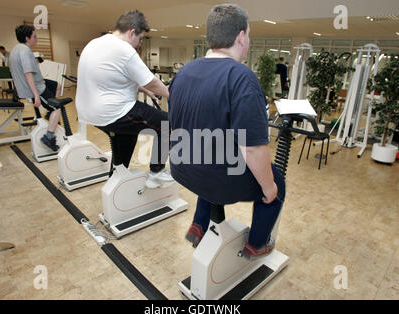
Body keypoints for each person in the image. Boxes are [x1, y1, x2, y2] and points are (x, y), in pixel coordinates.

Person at [168, 4, 286, 260]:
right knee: (277, 184)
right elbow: (253, 148)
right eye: (249, 36)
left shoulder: (184, 72)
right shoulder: (242, 77)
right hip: (216, 180)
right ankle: (257, 244)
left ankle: (199, 225)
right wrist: (269, 188)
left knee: (210, 159)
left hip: (181, 167)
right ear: (241, 37)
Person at [76, 10, 173, 186]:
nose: (138, 43)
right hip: (114, 111)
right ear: (131, 32)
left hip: (89, 113)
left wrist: (143, 89)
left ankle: (118, 176)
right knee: (167, 123)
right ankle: (157, 172)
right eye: (140, 38)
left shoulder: (96, 43)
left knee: (126, 132)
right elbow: (153, 82)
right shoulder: (125, 49)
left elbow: (110, 76)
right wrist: (173, 95)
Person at [9, 25, 61, 151]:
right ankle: (48, 137)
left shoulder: (16, 49)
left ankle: (50, 112)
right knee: (58, 107)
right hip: (37, 87)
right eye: (34, 36)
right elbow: (28, 74)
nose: (36, 39)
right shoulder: (25, 51)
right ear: (27, 38)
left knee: (57, 86)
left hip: (39, 82)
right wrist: (36, 95)